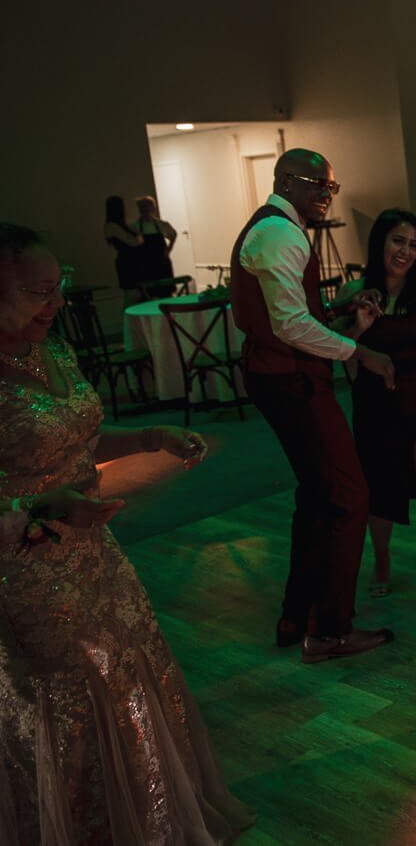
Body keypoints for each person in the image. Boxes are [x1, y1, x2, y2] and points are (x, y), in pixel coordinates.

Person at [0, 221, 255, 843]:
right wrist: (40, 507)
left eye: (57, 287)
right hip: (28, 569)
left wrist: (149, 438)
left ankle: (153, 818)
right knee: (84, 682)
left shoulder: (52, 349)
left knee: (139, 666)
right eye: (38, 293)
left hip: (95, 551)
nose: (56, 304)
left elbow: (80, 439)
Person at [231, 147, 397, 663]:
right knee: (348, 497)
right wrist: (360, 350)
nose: (326, 196)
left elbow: (297, 316)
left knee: (318, 494)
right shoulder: (280, 234)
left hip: (283, 376)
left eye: (331, 187)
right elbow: (291, 327)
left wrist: (347, 314)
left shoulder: (278, 230)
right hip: (290, 382)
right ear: (285, 182)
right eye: (317, 185)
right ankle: (328, 630)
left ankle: (296, 615)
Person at [336, 209, 416, 603]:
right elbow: (338, 350)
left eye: (413, 245)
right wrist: (358, 326)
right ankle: (382, 558)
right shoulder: (353, 291)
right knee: (378, 485)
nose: (405, 251)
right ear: (380, 242)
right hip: (375, 399)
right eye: (398, 241)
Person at [134, 194, 178, 290]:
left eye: (146, 207)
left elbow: (173, 234)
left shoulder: (161, 224)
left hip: (161, 262)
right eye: (142, 207)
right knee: (150, 292)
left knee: (166, 290)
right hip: (146, 264)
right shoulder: (135, 226)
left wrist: (168, 249)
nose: (144, 210)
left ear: (152, 208)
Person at [102, 194, 143, 294]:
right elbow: (133, 242)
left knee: (134, 293)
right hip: (128, 262)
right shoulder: (113, 227)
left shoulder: (113, 226)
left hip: (128, 261)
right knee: (132, 293)